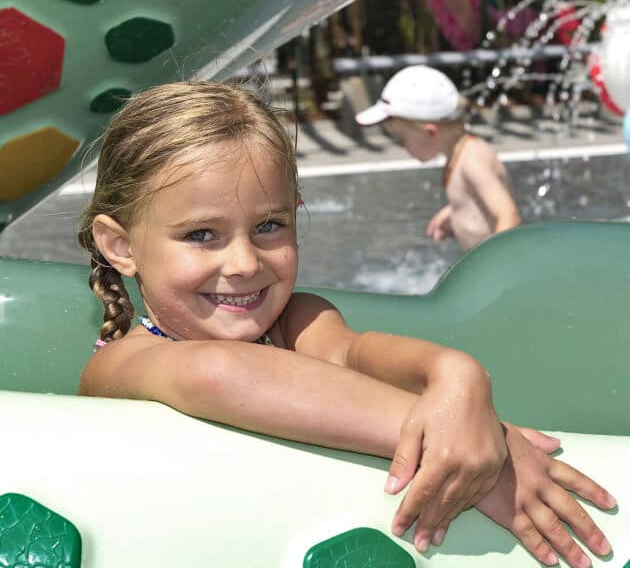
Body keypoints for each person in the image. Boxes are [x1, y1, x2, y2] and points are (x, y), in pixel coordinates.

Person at [77, 81, 614, 567]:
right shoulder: (121, 366)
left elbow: (353, 353)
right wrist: (464, 448)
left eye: (269, 225)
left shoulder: (294, 320)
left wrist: (456, 377)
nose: (244, 263)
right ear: (121, 245)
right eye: (201, 235)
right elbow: (216, 374)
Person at [355, 65, 522, 251]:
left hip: (494, 273)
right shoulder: (457, 155)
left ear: (430, 132)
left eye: (401, 138)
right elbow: (478, 201)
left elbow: (509, 215)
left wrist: (491, 270)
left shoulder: (473, 160)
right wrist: (455, 211)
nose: (400, 146)